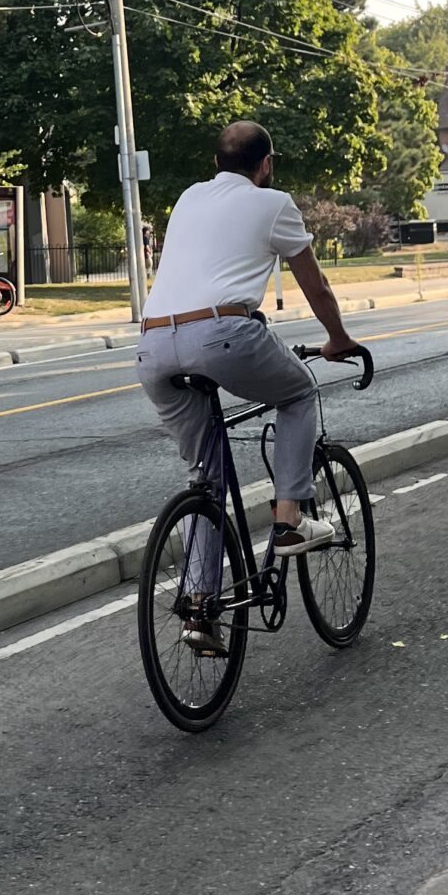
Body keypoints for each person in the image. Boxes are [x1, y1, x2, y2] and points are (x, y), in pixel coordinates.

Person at [137, 122, 357, 648]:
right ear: (266, 165)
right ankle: (288, 520)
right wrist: (339, 339)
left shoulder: (189, 198)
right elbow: (316, 285)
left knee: (206, 478)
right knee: (299, 392)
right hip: (220, 334)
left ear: (215, 165)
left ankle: (199, 613)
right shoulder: (274, 202)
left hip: (150, 347)